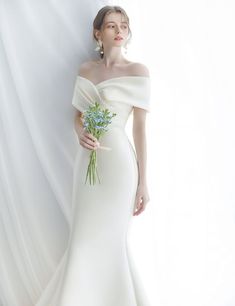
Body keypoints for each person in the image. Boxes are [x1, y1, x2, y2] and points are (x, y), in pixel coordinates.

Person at [57, 5, 151, 306]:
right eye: (111, 26)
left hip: (120, 166)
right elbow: (77, 117)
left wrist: (143, 183)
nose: (120, 30)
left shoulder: (138, 71)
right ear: (98, 33)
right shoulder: (86, 70)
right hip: (87, 164)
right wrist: (79, 132)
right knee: (82, 240)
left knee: (113, 243)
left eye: (123, 25)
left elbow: (139, 131)